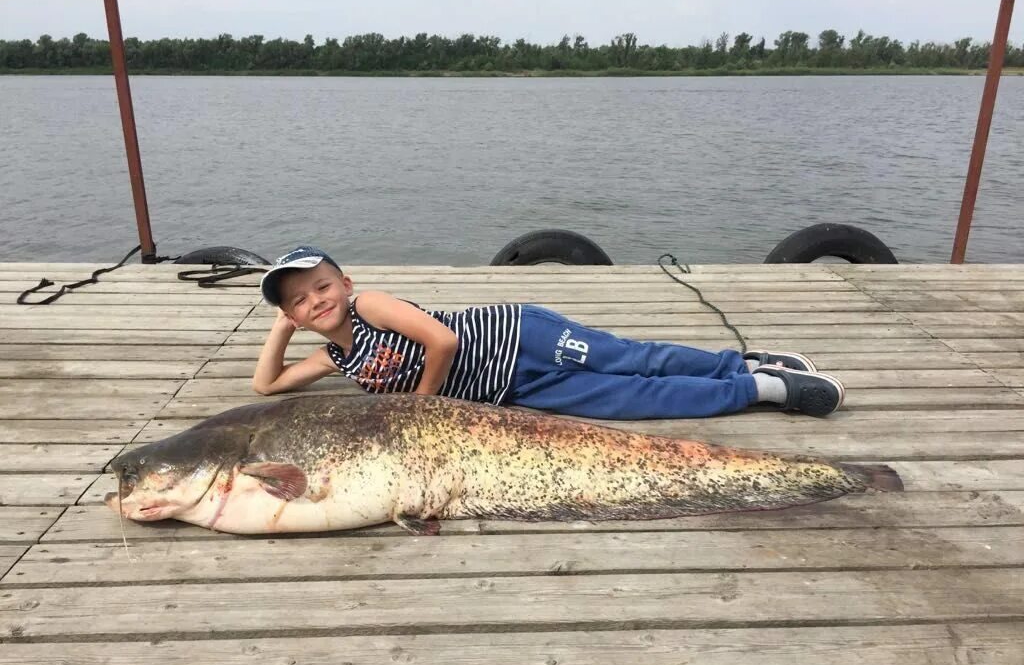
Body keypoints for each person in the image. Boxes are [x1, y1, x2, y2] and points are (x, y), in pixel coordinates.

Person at [253, 246, 845, 420]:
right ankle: (764, 390)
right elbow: (266, 387)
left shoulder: (371, 305)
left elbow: (443, 342)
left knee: (635, 359)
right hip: (513, 392)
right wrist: (280, 327)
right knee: (630, 400)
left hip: (522, 338)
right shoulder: (337, 357)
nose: (316, 302)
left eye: (321, 287)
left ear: (345, 282)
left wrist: (420, 405)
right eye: (300, 302)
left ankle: (738, 364)